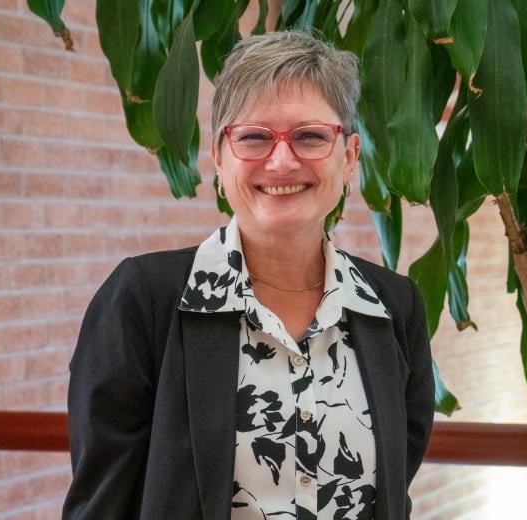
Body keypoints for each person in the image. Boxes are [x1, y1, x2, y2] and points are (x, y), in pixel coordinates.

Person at [62, 30, 435, 520]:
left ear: (348, 158)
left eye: (310, 136)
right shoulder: (144, 301)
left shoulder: (392, 307)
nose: (281, 160)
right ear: (219, 156)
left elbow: (389, 491)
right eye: (254, 137)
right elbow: (100, 506)